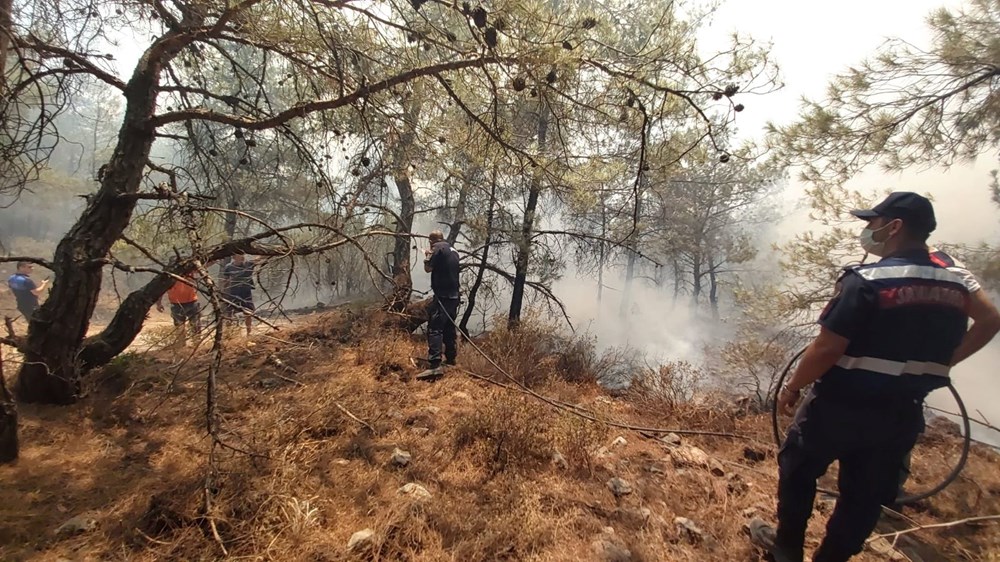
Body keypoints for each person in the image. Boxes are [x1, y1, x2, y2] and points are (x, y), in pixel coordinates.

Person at [750, 192, 971, 562]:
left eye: (873, 223)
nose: (868, 230)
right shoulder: (955, 288)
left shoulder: (869, 280)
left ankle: (787, 548)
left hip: (840, 406)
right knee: (865, 495)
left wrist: (792, 387)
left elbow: (826, 348)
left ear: (894, 226)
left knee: (798, 468)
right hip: (902, 413)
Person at [894, 246, 1000, 504]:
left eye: (875, 223)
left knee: (891, 425)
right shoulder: (905, 263)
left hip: (903, 370)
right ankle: (881, 492)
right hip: (904, 368)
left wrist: (946, 362)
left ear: (896, 227)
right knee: (893, 425)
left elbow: (989, 318)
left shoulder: (943, 266)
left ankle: (882, 496)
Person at [416, 230, 461, 381]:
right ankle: (450, 360)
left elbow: (428, 269)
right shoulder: (453, 250)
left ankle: (435, 366)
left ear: (431, 241)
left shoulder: (437, 249)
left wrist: (427, 257)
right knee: (449, 327)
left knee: (435, 328)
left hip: (442, 296)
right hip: (454, 296)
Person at [157, 274, 201, 347]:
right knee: (179, 326)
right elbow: (161, 289)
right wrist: (158, 304)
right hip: (176, 304)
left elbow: (203, 266)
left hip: (192, 302)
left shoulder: (189, 271)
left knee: (195, 324)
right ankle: (181, 345)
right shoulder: (168, 275)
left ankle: (197, 344)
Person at [222, 254, 256, 336]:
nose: (242, 256)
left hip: (246, 292)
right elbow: (225, 280)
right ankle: (229, 332)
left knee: (248, 312)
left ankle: (249, 332)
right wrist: (222, 292)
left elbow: (259, 259)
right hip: (234, 292)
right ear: (234, 257)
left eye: (242, 254)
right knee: (230, 312)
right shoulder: (229, 267)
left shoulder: (248, 264)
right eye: (239, 255)